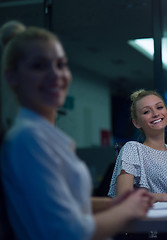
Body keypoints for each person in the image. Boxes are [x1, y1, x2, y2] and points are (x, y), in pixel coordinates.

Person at [0, 20, 153, 240]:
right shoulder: (28, 138)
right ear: (12, 77)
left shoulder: (44, 136)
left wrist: (113, 204)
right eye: (38, 66)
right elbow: (65, 232)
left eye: (60, 64)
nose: (55, 75)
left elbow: (63, 202)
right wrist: (128, 210)